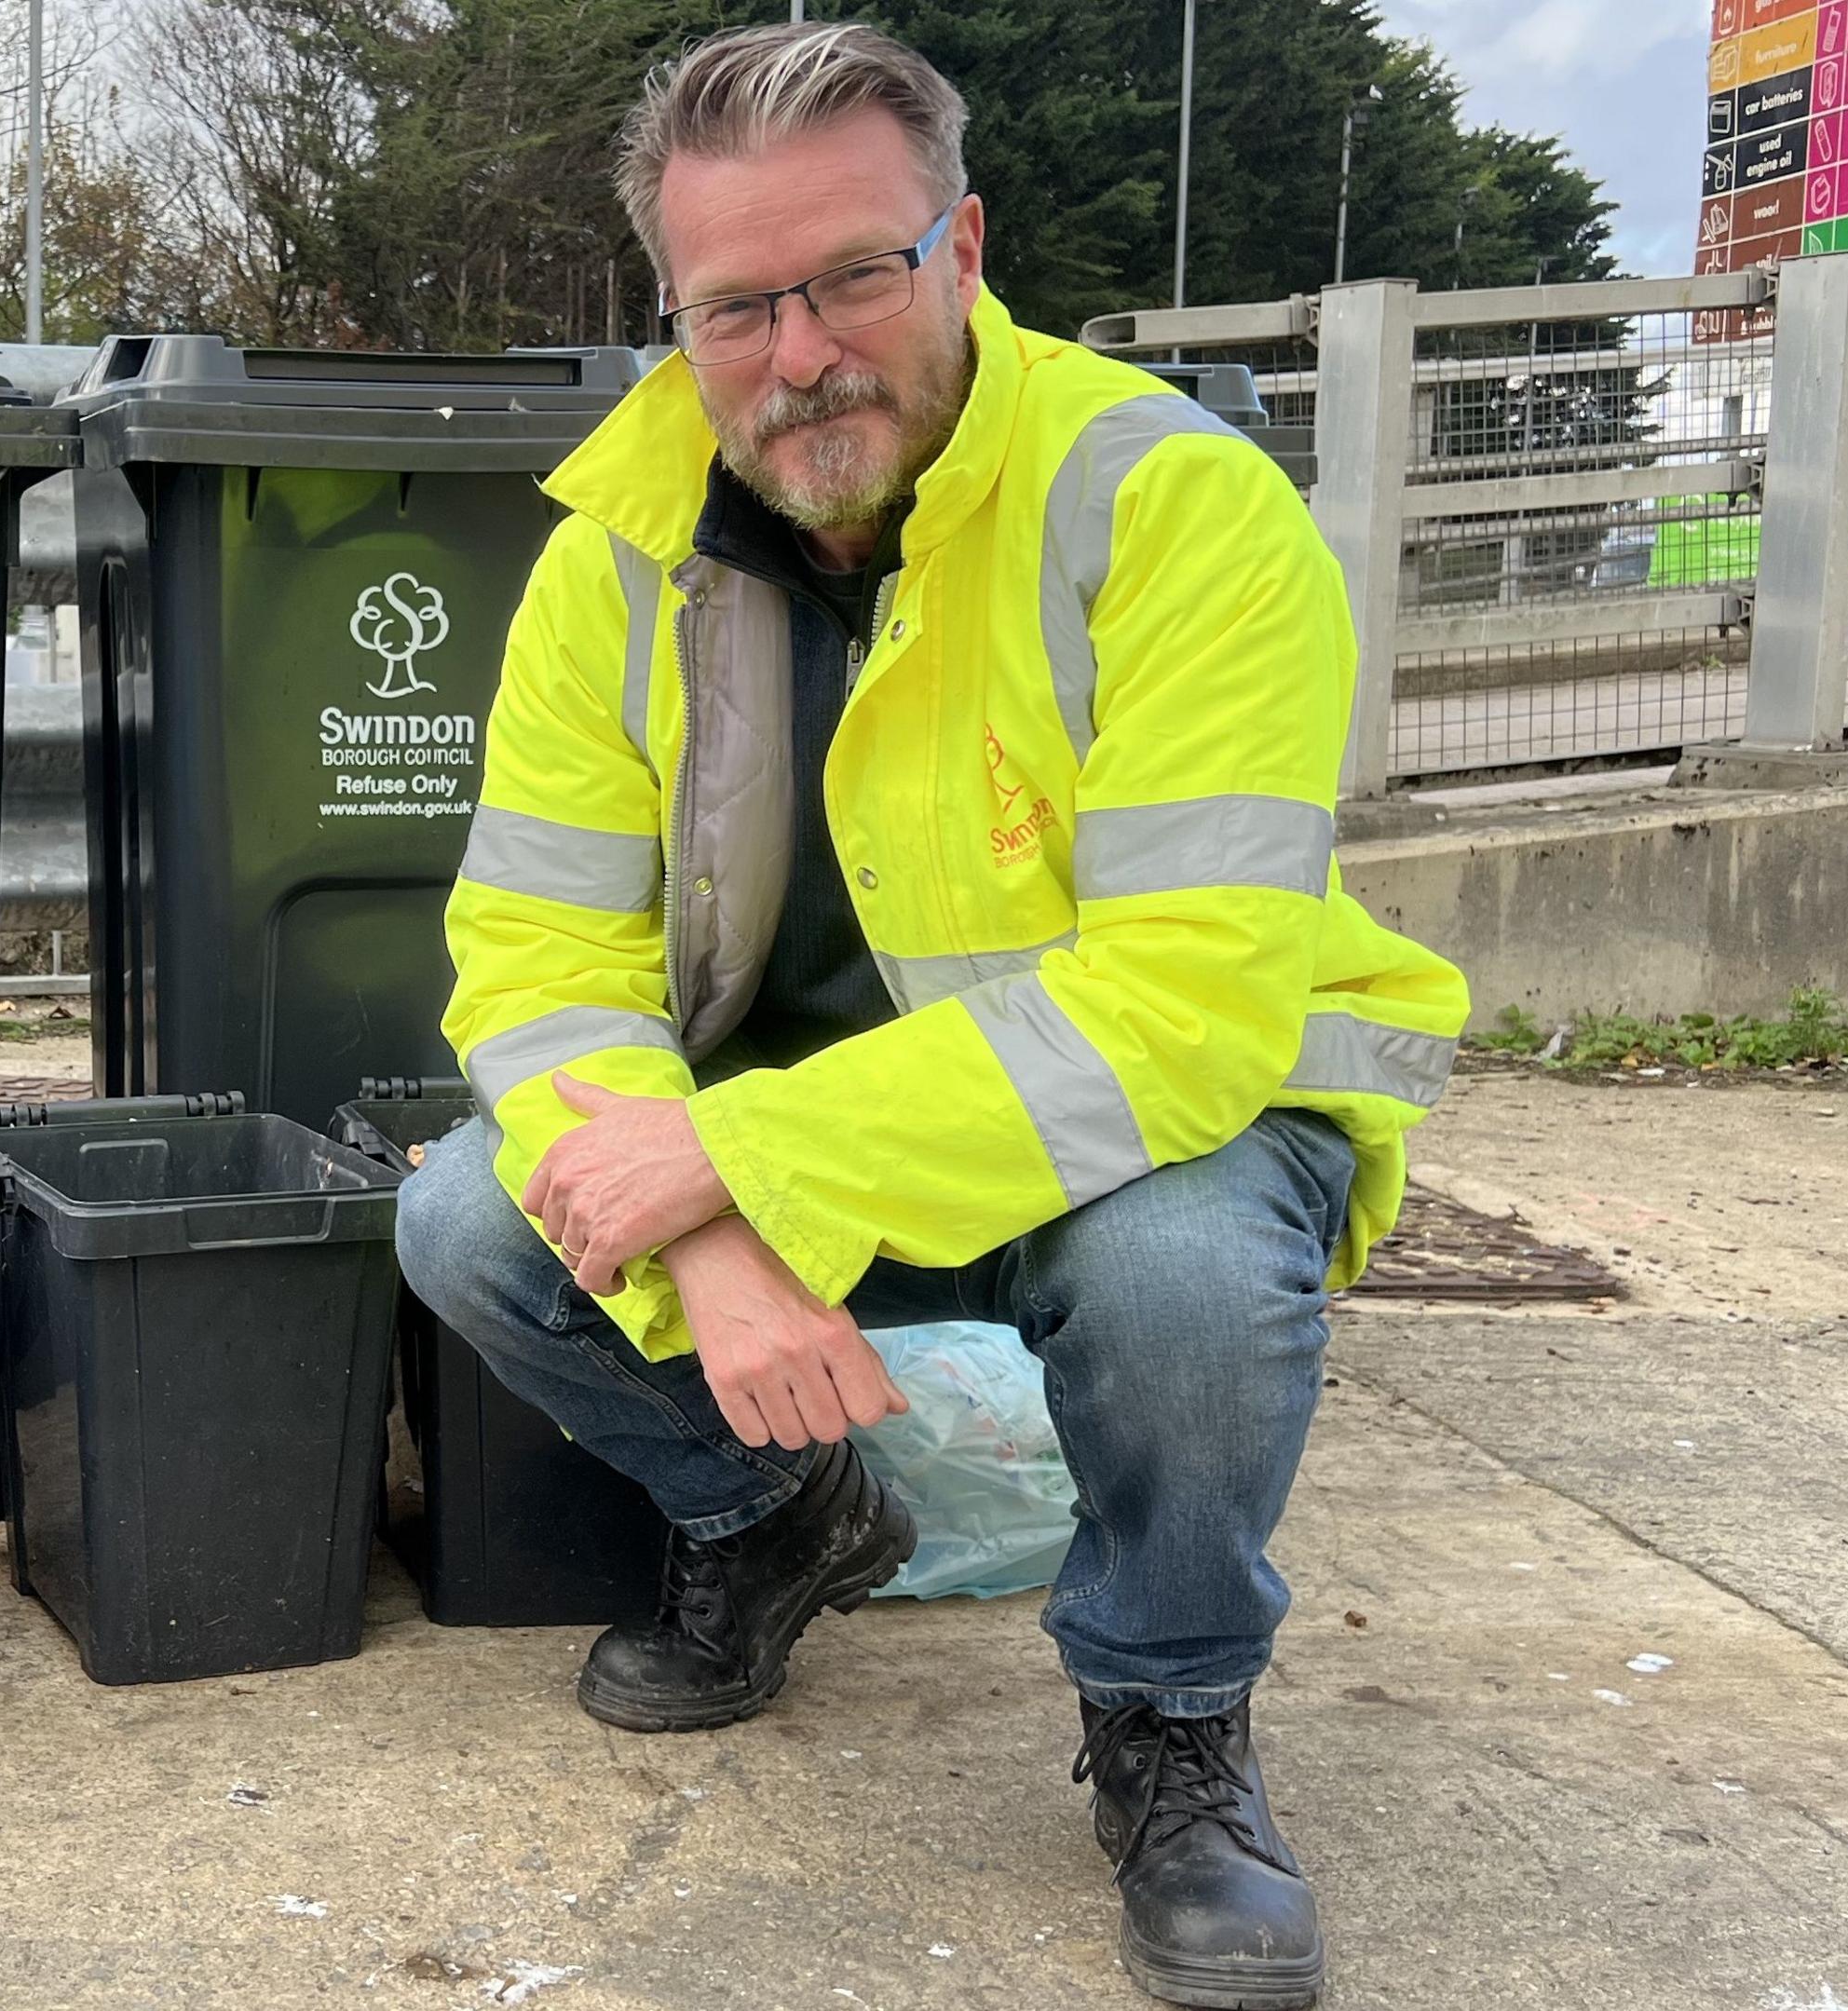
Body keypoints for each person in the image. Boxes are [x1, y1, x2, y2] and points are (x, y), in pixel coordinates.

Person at [391, 22, 1471, 2010]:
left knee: (1178, 1282)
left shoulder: (1173, 505)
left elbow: (1187, 1000)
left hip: (1166, 1122)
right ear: (676, 313)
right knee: (465, 1219)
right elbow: (537, 966)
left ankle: (1171, 1712)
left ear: (963, 248)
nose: (799, 352)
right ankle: (785, 1514)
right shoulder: (608, 558)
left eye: (854, 277)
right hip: (797, 1136)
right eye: (735, 306)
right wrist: (709, 1231)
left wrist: (732, 1161)